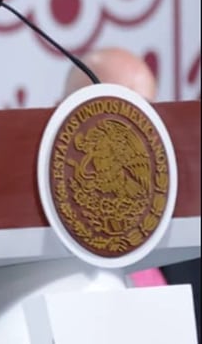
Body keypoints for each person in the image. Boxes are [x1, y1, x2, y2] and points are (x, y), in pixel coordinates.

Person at [62, 47, 201, 340]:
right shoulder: (33, 246)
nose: (126, 130)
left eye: (142, 113)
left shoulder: (188, 247)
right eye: (104, 110)